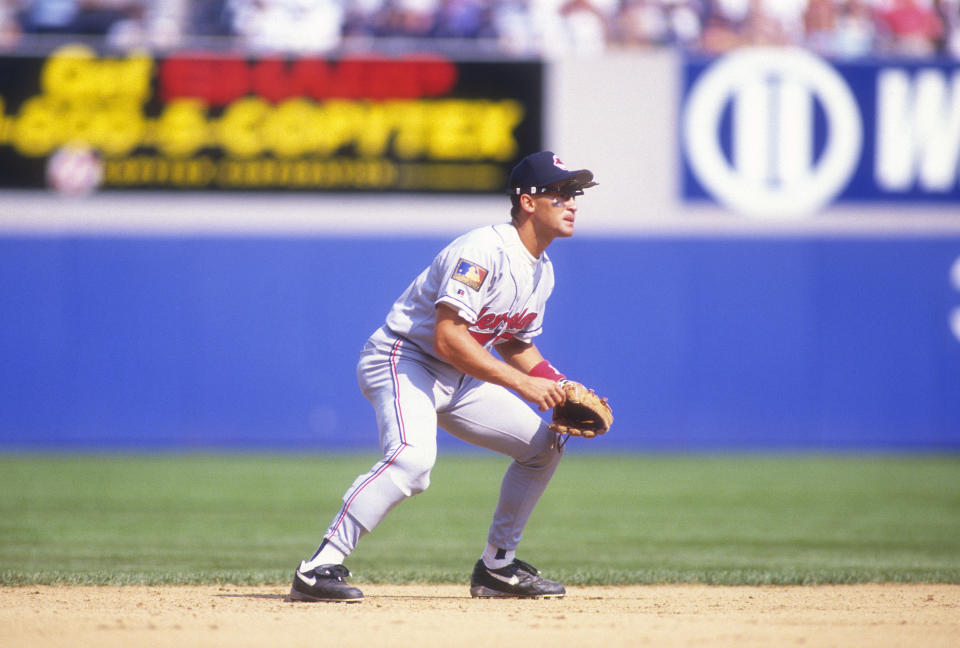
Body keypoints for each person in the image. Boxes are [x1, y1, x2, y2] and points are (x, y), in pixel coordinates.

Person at [289, 150, 598, 602]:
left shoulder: (542, 271)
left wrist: (557, 382)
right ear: (528, 201)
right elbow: (448, 338)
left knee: (543, 448)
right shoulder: (483, 250)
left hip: (460, 376)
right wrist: (523, 384)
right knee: (413, 463)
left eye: (575, 194)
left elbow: (514, 341)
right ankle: (317, 568)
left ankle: (497, 567)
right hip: (403, 358)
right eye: (561, 192)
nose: (572, 202)